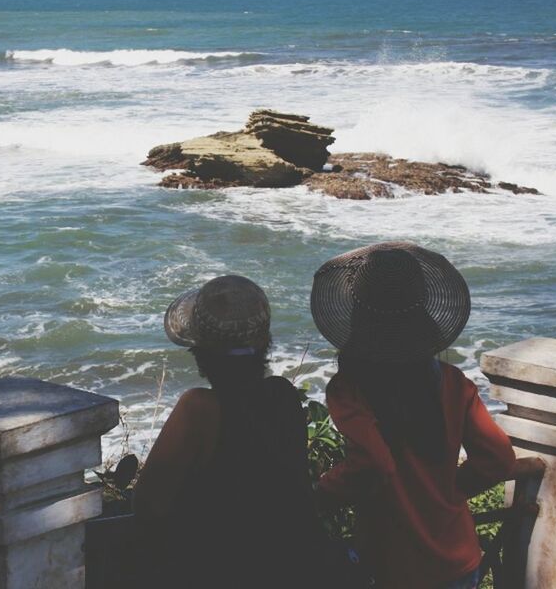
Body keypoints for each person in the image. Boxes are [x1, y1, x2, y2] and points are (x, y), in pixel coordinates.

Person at [310, 242, 517, 589]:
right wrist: (451, 490)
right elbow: (498, 457)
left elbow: (374, 463)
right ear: (422, 312)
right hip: (458, 558)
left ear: (359, 315)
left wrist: (319, 493)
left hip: (393, 564)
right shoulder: (452, 383)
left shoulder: (350, 390)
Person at [133, 275, 332, 589]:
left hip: (223, 570)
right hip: (295, 565)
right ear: (264, 343)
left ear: (199, 351)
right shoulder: (284, 395)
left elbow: (147, 505)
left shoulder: (198, 408)